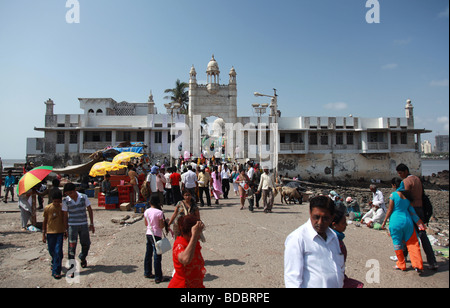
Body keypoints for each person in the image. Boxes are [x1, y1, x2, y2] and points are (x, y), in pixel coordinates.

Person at [284, 195, 345, 288]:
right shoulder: (297, 238)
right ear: (310, 213)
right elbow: (292, 279)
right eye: (316, 217)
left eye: (325, 218)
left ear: (332, 217)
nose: (320, 222)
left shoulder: (333, 236)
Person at [396, 163, 438, 270]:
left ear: (405, 171)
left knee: (408, 235)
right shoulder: (417, 179)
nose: (400, 175)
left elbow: (400, 195)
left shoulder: (405, 182)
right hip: (421, 210)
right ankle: (432, 261)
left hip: (411, 210)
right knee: (422, 235)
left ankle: (404, 258)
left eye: (400, 173)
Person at [381, 178, 424, 272]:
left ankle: (401, 264)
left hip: (395, 221)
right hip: (407, 221)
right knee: (413, 243)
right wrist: (419, 222)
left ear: (393, 185)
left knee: (397, 243)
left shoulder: (393, 195)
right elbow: (412, 212)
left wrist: (384, 221)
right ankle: (417, 265)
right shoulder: (407, 196)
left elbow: (390, 210)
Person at [62, 183, 95, 271]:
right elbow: (65, 215)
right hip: (72, 226)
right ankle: (72, 267)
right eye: (68, 193)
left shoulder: (84, 197)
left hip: (83, 224)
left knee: (86, 244)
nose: (70, 195)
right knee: (72, 247)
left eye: (71, 193)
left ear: (75, 190)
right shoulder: (65, 201)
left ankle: (82, 257)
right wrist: (65, 229)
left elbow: (89, 210)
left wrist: (91, 224)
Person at [168, 214, 206, 288]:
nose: (199, 235)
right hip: (183, 285)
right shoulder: (180, 244)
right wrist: (194, 235)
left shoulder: (194, 243)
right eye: (199, 232)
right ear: (190, 233)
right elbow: (185, 259)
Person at [330, 209, 364, 288]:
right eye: (343, 223)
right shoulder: (335, 242)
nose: (346, 225)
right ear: (334, 224)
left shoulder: (336, 238)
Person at [42, 190, 67, 279]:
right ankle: (54, 262)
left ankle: (56, 271)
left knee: (58, 251)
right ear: (52, 200)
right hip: (50, 233)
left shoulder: (63, 208)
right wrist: (43, 233)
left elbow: (65, 219)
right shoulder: (48, 208)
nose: (56, 203)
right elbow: (45, 221)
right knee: (51, 250)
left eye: (58, 201)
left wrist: (65, 230)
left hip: (59, 232)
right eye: (55, 201)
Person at [144, 195, 167, 283]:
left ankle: (147, 272)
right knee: (157, 256)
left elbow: (146, 223)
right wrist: (165, 223)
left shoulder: (146, 211)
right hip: (156, 234)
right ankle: (158, 276)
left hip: (149, 233)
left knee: (148, 253)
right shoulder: (159, 213)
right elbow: (161, 226)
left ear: (150, 202)